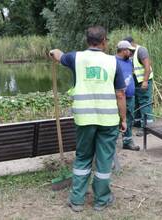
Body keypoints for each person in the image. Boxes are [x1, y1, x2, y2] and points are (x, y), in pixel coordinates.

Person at [49, 25, 127, 212]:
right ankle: (101, 200)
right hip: (108, 120)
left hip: (84, 119)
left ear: (87, 41)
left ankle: (77, 200)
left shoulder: (76, 58)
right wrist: (123, 119)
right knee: (104, 159)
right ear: (104, 41)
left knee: (83, 157)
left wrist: (53, 51)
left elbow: (59, 55)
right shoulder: (114, 62)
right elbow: (120, 94)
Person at [124, 36, 153, 136]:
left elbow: (147, 67)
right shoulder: (129, 52)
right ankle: (137, 122)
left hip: (144, 80)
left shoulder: (141, 51)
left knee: (145, 102)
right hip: (135, 81)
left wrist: (145, 81)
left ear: (132, 43)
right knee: (135, 102)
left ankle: (147, 127)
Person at [115, 40, 140, 151]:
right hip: (118, 97)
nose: (131, 53)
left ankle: (127, 142)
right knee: (116, 120)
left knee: (129, 119)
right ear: (124, 50)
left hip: (130, 96)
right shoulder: (113, 61)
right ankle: (112, 143)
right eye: (130, 51)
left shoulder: (129, 61)